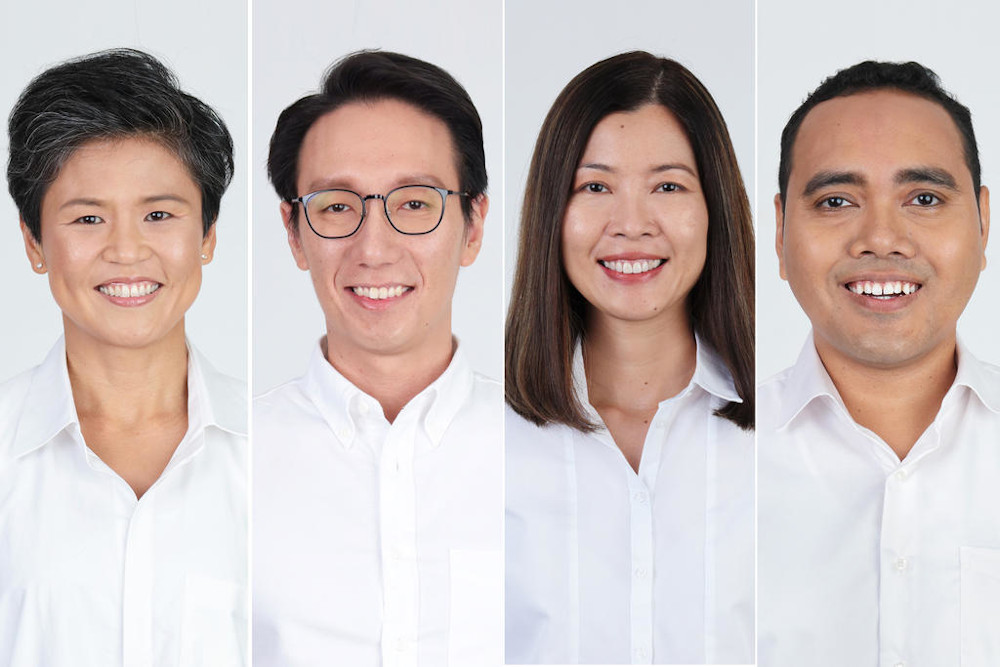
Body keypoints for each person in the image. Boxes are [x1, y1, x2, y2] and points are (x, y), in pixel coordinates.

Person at [505, 51, 755, 665]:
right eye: (595, 187)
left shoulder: (786, 436)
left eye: (668, 186)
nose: (632, 224)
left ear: (713, 210)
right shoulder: (482, 440)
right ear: (551, 214)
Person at [252, 50, 501, 666]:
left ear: (472, 226)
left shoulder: (551, 445)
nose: (374, 248)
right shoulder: (230, 460)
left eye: (414, 203)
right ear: (293, 233)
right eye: (338, 206)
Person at [0, 49, 246, 666]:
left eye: (159, 215)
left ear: (207, 236)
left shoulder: (287, 457)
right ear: (34, 243)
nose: (127, 251)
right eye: (87, 218)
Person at [759, 60, 1000, 666]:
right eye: (837, 200)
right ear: (781, 230)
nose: (881, 238)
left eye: (923, 198)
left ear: (983, 223)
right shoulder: (712, 457)